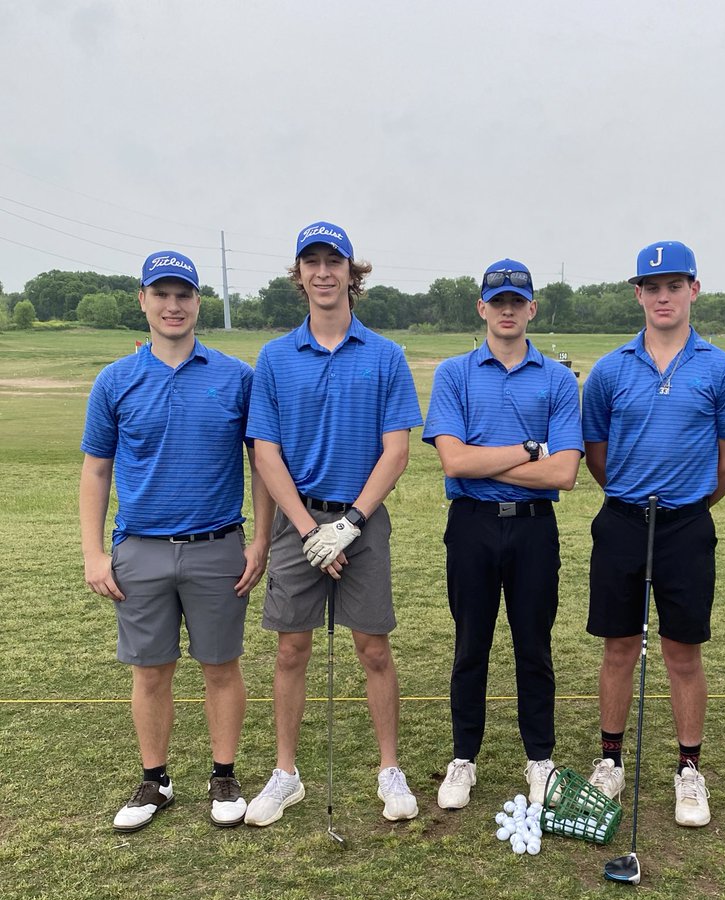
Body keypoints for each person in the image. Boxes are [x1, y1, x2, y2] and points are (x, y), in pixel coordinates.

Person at [80, 251, 273, 832]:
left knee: (220, 666)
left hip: (218, 546)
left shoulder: (237, 377)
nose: (172, 306)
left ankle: (223, 775)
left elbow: (261, 465)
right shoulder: (114, 380)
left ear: (197, 303)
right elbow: (96, 470)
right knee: (151, 670)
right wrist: (93, 552)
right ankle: (155, 779)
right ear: (143, 300)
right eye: (160, 294)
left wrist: (261, 540)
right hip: (139, 548)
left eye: (183, 295)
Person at [245, 222, 422, 826]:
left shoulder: (385, 355)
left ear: (353, 273)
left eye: (334, 261)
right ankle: (286, 773)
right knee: (292, 648)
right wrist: (307, 530)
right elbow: (264, 451)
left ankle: (389, 769)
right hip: (300, 520)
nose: (323, 272)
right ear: (299, 276)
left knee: (373, 648)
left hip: (361, 519)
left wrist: (347, 525)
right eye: (311, 262)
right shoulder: (274, 357)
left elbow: (395, 450)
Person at [582, 241, 725, 827]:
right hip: (623, 521)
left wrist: (689, 507)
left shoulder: (721, 369)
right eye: (652, 287)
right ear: (638, 294)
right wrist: (632, 497)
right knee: (619, 646)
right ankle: (609, 761)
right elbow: (597, 455)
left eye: (673, 286)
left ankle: (688, 769)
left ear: (693, 290)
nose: (662, 296)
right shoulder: (608, 370)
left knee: (683, 652)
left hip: (686, 525)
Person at [423, 259, 584, 809]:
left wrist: (483, 459)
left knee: (533, 647)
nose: (508, 310)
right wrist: (529, 449)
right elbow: (452, 462)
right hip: (470, 526)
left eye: (518, 301)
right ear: (482, 308)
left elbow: (564, 473)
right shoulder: (454, 373)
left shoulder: (559, 379)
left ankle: (540, 759)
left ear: (532, 308)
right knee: (471, 645)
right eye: (499, 301)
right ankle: (463, 759)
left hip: (535, 529)